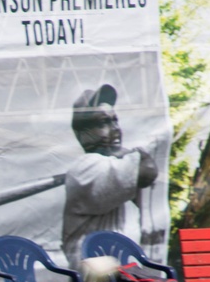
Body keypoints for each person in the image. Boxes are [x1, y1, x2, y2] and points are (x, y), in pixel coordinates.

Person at [60, 84, 158, 269]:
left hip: (116, 271)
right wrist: (137, 153)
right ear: (83, 134)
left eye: (115, 121)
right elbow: (147, 171)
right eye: (103, 123)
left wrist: (127, 155)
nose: (115, 129)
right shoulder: (86, 167)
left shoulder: (111, 164)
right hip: (95, 276)